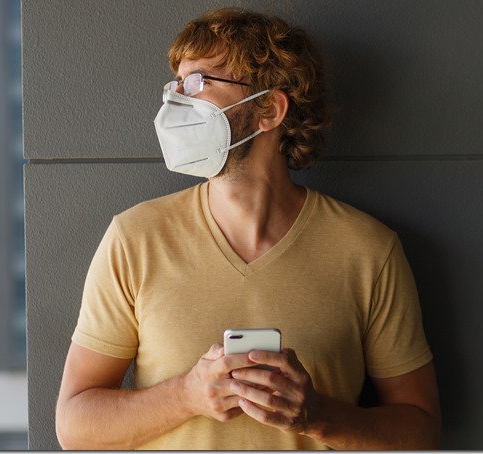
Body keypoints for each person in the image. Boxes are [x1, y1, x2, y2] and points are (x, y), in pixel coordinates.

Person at [56, 7, 441, 450]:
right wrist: (186, 397)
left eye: (199, 83)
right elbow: (74, 426)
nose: (176, 102)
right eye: (176, 85)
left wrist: (317, 416)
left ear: (269, 109)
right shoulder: (134, 238)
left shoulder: (369, 251)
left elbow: (422, 433)